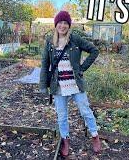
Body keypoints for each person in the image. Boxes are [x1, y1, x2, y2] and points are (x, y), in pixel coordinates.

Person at [39, 11, 101, 157]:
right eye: (60, 23)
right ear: (56, 25)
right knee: (62, 115)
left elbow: (94, 50)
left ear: (69, 25)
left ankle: (95, 136)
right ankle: (66, 140)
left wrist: (82, 68)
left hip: (75, 85)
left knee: (85, 111)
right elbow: (44, 64)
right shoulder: (49, 42)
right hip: (58, 86)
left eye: (65, 23)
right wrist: (43, 84)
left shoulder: (75, 39)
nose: (62, 25)